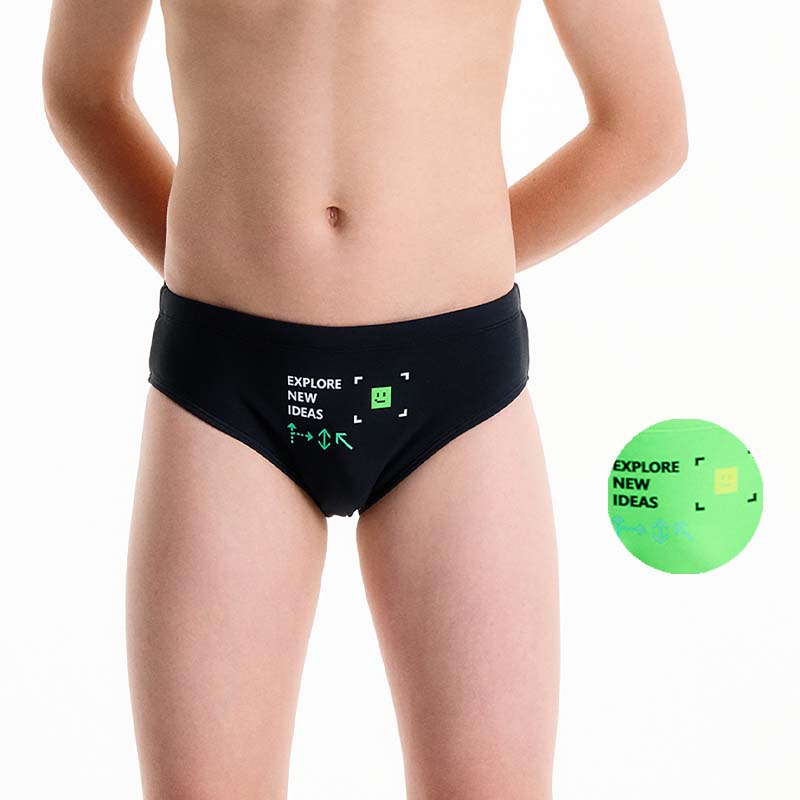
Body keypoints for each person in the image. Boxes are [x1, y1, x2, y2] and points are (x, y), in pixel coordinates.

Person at [42, 0, 687, 796]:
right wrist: (216, 271)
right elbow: (82, 92)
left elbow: (646, 129)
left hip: (454, 388)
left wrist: (441, 261)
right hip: (226, 381)